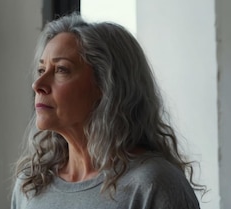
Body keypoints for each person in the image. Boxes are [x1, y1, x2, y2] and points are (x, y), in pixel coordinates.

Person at [11, 14, 204, 209]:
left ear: (106, 85)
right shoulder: (31, 184)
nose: (38, 85)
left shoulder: (153, 185)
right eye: (41, 70)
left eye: (61, 69)